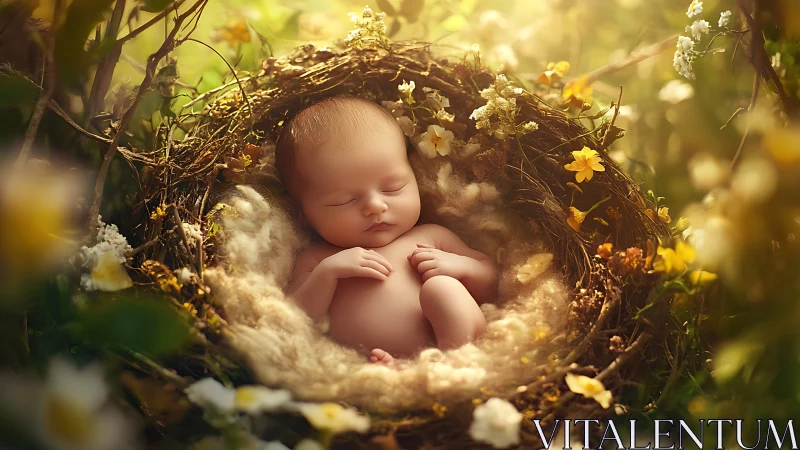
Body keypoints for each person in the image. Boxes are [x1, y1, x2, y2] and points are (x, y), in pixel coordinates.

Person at [276, 96, 497, 366]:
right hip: (377, 367)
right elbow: (293, 319)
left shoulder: (431, 236)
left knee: (442, 289)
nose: (375, 206)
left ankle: (454, 364)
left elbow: (492, 282)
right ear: (303, 214)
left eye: (393, 188)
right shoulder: (318, 260)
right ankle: (408, 373)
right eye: (344, 200)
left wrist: (462, 267)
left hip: (456, 350)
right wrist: (327, 274)